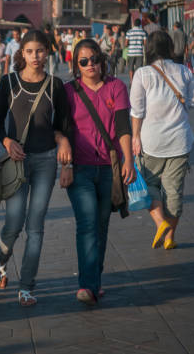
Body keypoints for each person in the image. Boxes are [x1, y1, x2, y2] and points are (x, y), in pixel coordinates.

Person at [0, 30, 73, 306]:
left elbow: (63, 125)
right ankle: (1, 259)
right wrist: (5, 140)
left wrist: (63, 145)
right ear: (22, 53)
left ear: (47, 52)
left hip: (46, 161)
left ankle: (26, 286)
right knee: (13, 223)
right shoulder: (9, 83)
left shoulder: (55, 85)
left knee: (35, 227)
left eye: (40, 51)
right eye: (30, 51)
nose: (35, 56)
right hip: (17, 162)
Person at [62, 38, 135, 306]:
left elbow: (123, 126)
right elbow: (60, 128)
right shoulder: (69, 91)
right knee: (87, 223)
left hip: (109, 168)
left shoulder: (116, 87)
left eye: (94, 59)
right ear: (76, 65)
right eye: (84, 61)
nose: (90, 64)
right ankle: (86, 285)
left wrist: (129, 160)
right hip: (79, 169)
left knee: (101, 226)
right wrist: (65, 160)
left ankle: (94, 282)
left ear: (102, 60)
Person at [130, 31, 194, 251]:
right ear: (170, 48)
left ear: (148, 49)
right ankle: (170, 236)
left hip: (151, 143)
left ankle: (161, 224)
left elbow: (137, 110)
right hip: (179, 142)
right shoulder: (185, 71)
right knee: (173, 192)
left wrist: (135, 136)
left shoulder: (142, 73)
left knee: (149, 185)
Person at [126, 18, 148, 82]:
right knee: (138, 68)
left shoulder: (129, 32)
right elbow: (145, 43)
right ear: (140, 24)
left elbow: (126, 43)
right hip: (139, 53)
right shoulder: (143, 32)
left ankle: (131, 81)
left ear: (134, 24)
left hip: (131, 53)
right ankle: (137, 81)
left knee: (130, 67)